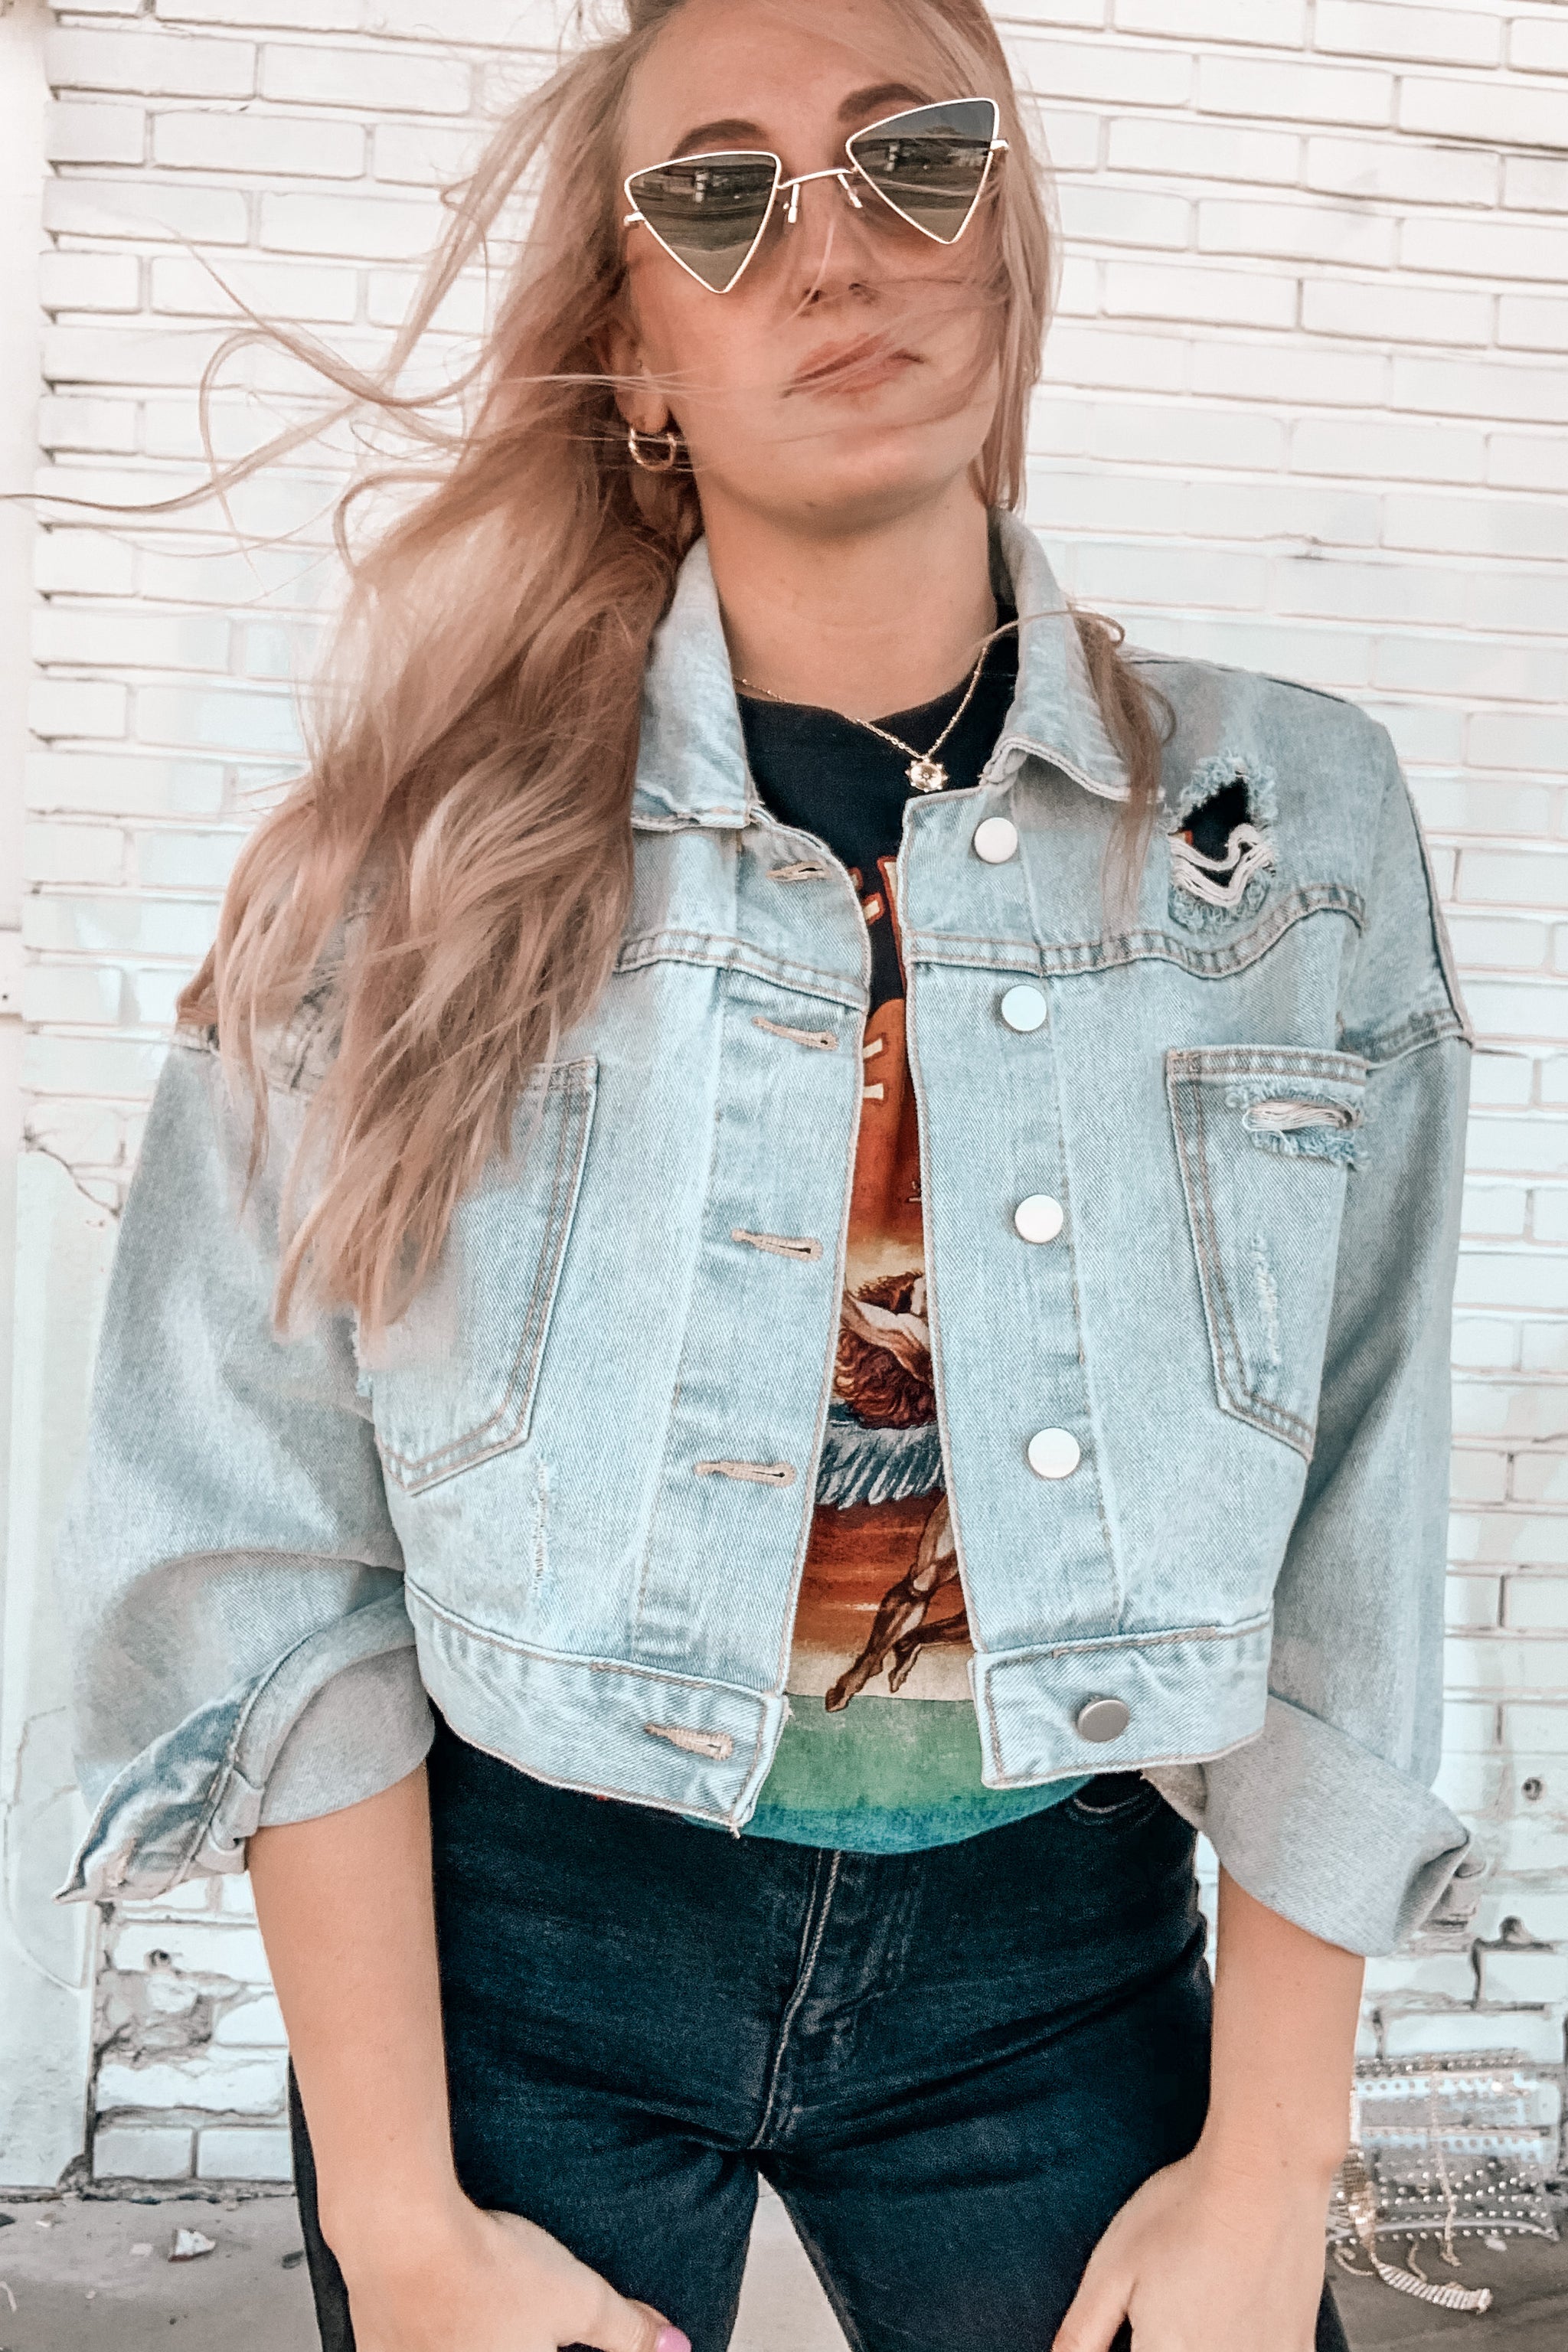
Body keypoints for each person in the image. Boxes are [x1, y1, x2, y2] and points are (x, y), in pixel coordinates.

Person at [55, 3, 1480, 2348]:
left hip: (1061, 1946)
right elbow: (270, 1538)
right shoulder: (399, 873)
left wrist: (1270, 2172)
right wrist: (403, 2227)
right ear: (638, 348)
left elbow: (1358, 1505)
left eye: (914, 158)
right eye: (720, 197)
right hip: (517, 1957)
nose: (835, 252)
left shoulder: (1287, 830)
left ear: (1006, 237)